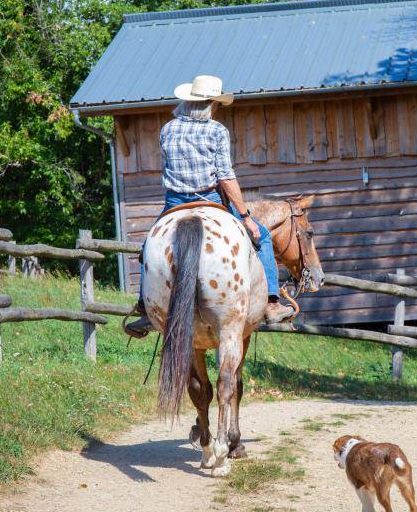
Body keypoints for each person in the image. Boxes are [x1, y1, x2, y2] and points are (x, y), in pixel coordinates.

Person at [124, 75, 294, 337]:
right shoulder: (216, 131)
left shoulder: (167, 129)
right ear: (211, 105)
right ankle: (272, 302)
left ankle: (145, 309)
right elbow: (225, 176)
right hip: (210, 199)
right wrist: (246, 216)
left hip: (174, 201)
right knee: (263, 237)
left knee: (150, 246)